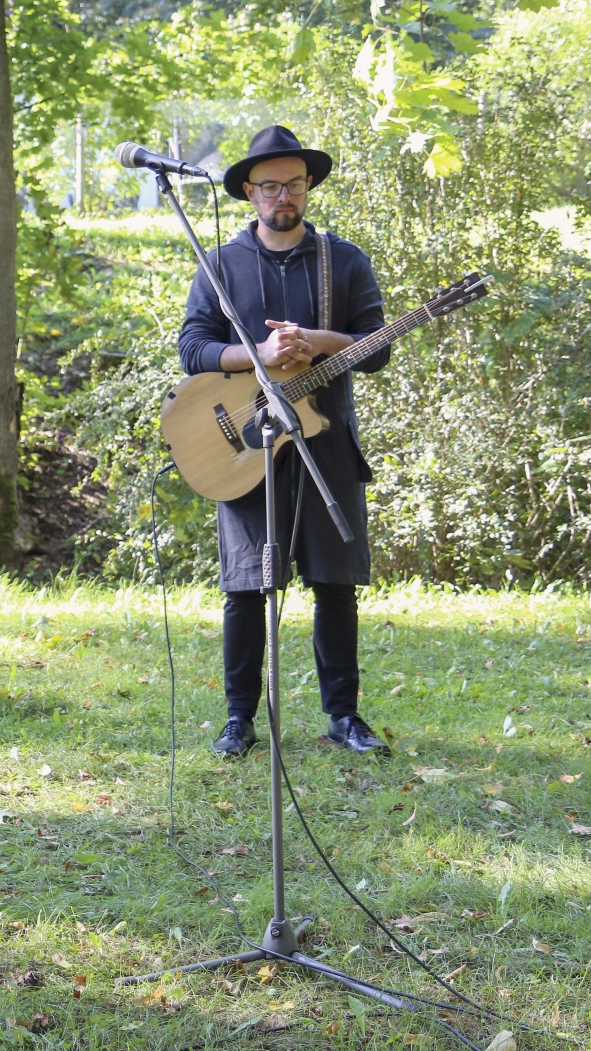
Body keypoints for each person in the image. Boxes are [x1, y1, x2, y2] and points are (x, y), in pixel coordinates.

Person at [177, 125, 392, 759]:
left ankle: (343, 717)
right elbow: (193, 349)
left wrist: (320, 343)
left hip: (327, 444)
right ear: (249, 193)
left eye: (294, 184)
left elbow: (374, 349)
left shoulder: (344, 262)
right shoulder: (219, 267)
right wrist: (261, 354)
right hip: (246, 446)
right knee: (247, 586)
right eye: (269, 187)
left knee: (335, 582)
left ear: (307, 187)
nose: (283, 197)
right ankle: (239, 719)